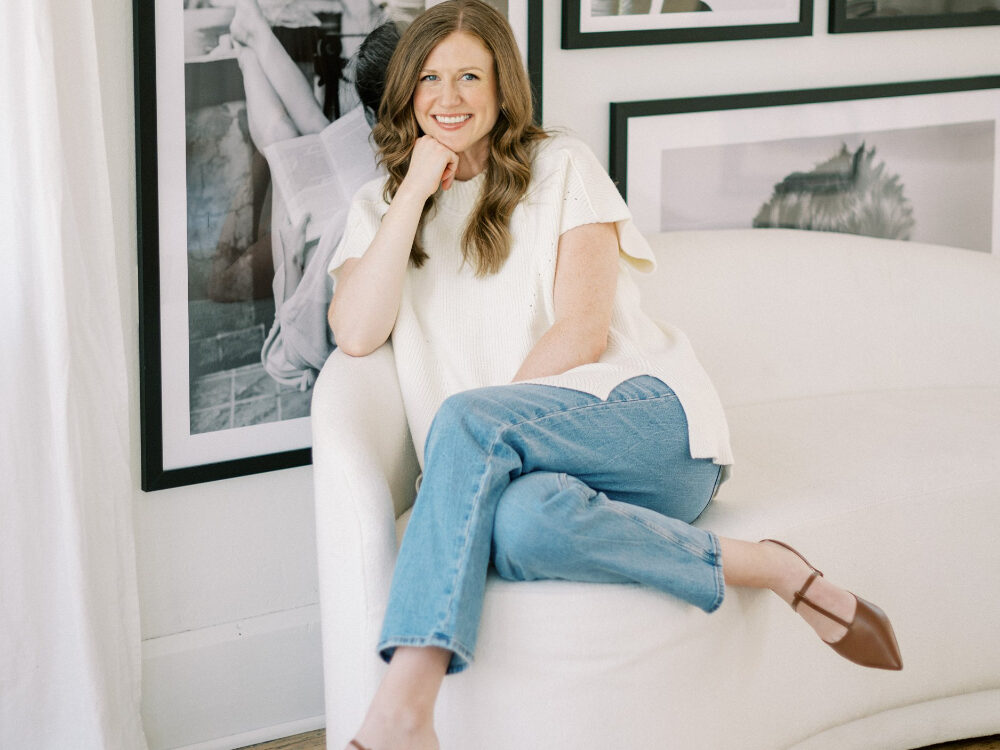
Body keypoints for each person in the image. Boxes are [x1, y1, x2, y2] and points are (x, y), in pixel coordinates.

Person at [326, 2, 903, 748]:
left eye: (471, 75)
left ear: (504, 88)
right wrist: (411, 192)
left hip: (644, 423)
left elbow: (581, 331)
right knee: (523, 524)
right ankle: (762, 565)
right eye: (430, 79)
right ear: (404, 93)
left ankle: (405, 711)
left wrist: (480, 442)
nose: (449, 97)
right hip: (512, 462)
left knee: (470, 421)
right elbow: (355, 330)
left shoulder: (558, 166)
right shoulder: (379, 209)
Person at [228, 0, 405, 386]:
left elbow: (292, 355)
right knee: (311, 131)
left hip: (308, 275)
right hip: (335, 231)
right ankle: (252, 35)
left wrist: (291, 261)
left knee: (285, 139)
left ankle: (248, 49)